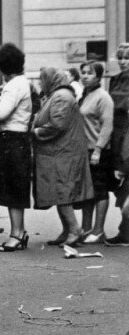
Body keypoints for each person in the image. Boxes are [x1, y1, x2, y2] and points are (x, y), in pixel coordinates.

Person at [33, 67, 94, 247]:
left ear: (51, 80)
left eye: (41, 79)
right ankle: (67, 230)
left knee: (62, 193)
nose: (39, 82)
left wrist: (36, 131)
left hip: (63, 153)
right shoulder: (59, 95)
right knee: (60, 192)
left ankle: (74, 229)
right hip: (61, 152)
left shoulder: (60, 97)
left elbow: (57, 125)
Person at [0, 43, 34, 252]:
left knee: (14, 188)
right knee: (14, 188)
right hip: (15, 140)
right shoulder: (21, 83)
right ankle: (18, 231)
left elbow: (1, 112)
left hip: (10, 140)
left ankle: (16, 234)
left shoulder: (14, 84)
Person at [79, 61, 116, 244]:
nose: (85, 76)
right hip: (84, 150)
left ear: (99, 77)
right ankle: (86, 228)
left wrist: (98, 150)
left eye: (89, 73)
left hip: (98, 151)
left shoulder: (103, 97)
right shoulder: (85, 95)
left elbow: (107, 126)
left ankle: (99, 230)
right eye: (83, 72)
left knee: (100, 190)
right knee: (87, 191)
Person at [106, 42, 129, 246]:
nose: (123, 61)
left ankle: (125, 231)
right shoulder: (115, 81)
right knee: (121, 187)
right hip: (117, 134)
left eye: (127, 58)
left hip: (127, 134)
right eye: (120, 57)